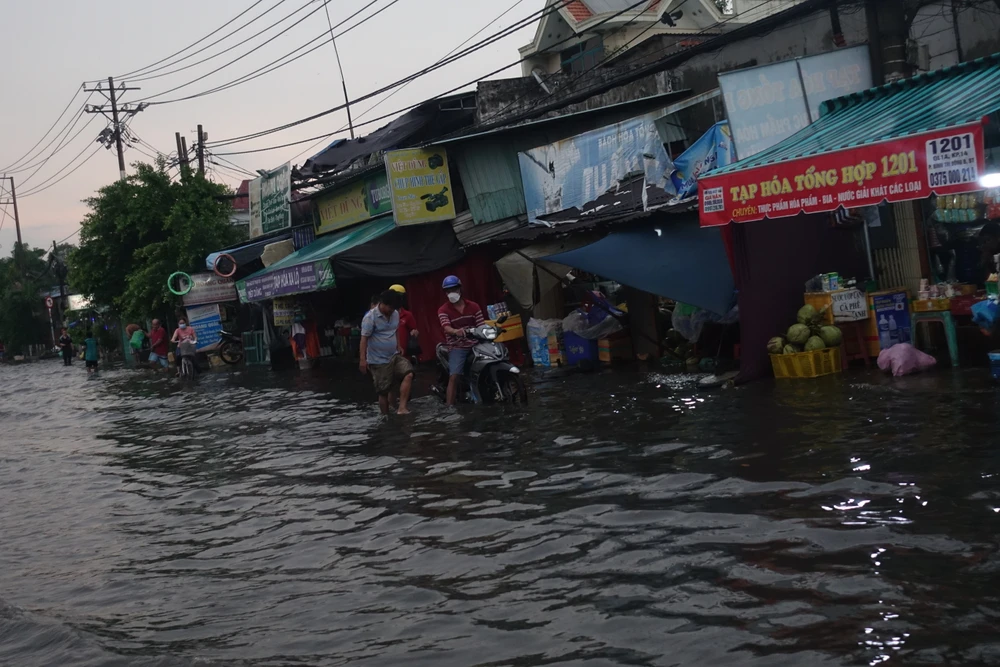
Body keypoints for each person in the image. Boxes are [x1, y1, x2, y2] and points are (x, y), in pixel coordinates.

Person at [360, 290, 414, 415]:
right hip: (378, 360)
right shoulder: (370, 318)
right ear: (382, 303)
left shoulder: (395, 314)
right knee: (384, 391)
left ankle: (402, 408)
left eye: (394, 308)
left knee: (409, 374)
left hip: (394, 355)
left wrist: (399, 345)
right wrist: (363, 360)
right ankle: (386, 416)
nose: (391, 310)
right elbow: (364, 339)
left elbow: (395, 330)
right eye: (390, 307)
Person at [437, 275, 485, 406]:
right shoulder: (443, 310)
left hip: (477, 343)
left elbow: (481, 325)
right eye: (448, 291)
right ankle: (449, 406)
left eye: (454, 289)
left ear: (460, 289)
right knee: (454, 376)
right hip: (458, 346)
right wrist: (455, 331)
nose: (451, 292)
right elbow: (446, 327)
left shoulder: (474, 306)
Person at [389, 284, 420, 361]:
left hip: (403, 353)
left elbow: (414, 330)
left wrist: (414, 333)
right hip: (387, 354)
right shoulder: (385, 314)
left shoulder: (407, 315)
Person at [978, 221, 1000, 286]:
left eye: (987, 240)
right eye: (982, 242)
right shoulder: (989, 253)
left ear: (998, 238)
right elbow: (988, 280)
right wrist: (985, 262)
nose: (984, 245)